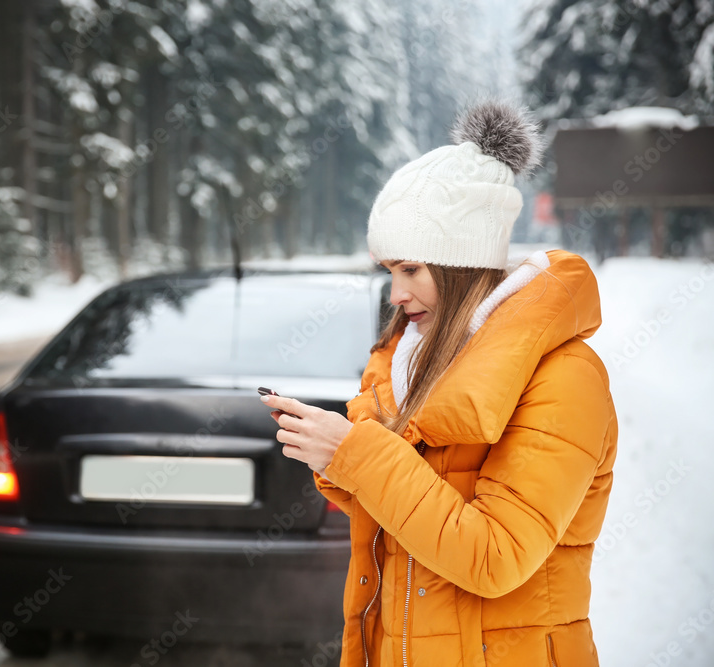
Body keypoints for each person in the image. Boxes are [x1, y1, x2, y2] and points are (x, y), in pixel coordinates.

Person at [262, 100, 617, 667]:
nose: (396, 295)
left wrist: (358, 454)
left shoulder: (565, 376)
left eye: (411, 270)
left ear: (462, 263)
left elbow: (494, 556)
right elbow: (407, 520)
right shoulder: (409, 362)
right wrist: (334, 458)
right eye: (390, 273)